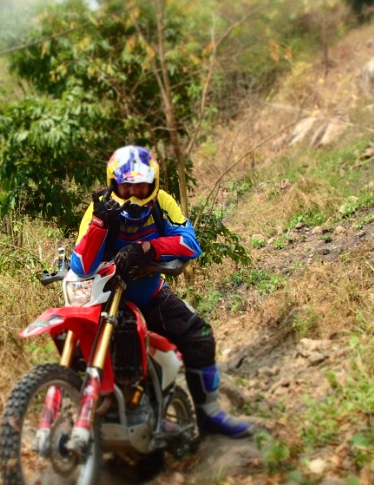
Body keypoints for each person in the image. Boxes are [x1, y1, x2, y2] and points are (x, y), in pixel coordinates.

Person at [70, 144, 252, 438]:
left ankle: (209, 414)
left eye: (141, 186)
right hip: (103, 300)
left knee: (200, 336)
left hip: (149, 294)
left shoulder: (162, 202)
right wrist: (99, 226)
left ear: (152, 183)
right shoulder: (99, 208)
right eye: (127, 186)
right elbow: (81, 265)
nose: (134, 193)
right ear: (114, 184)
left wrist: (147, 248)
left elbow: (190, 243)